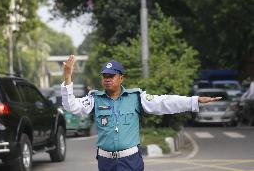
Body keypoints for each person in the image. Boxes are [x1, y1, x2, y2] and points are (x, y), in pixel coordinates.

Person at [61, 55, 221, 171]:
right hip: (105, 162)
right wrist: (67, 76)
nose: (107, 79)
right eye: (104, 76)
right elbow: (72, 106)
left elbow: (164, 102)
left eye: (111, 76)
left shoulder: (136, 97)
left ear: (121, 78)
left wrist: (194, 100)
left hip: (130, 161)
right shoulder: (95, 98)